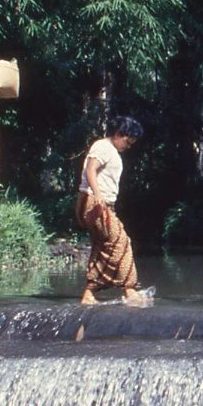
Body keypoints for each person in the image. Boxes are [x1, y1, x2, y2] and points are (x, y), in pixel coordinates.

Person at [77, 115, 148, 306]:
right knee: (120, 241)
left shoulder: (110, 150)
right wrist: (98, 195)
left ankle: (89, 293)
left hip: (101, 203)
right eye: (127, 141)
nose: (128, 146)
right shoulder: (103, 146)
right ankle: (129, 290)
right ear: (119, 134)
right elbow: (91, 169)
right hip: (95, 203)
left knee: (103, 245)